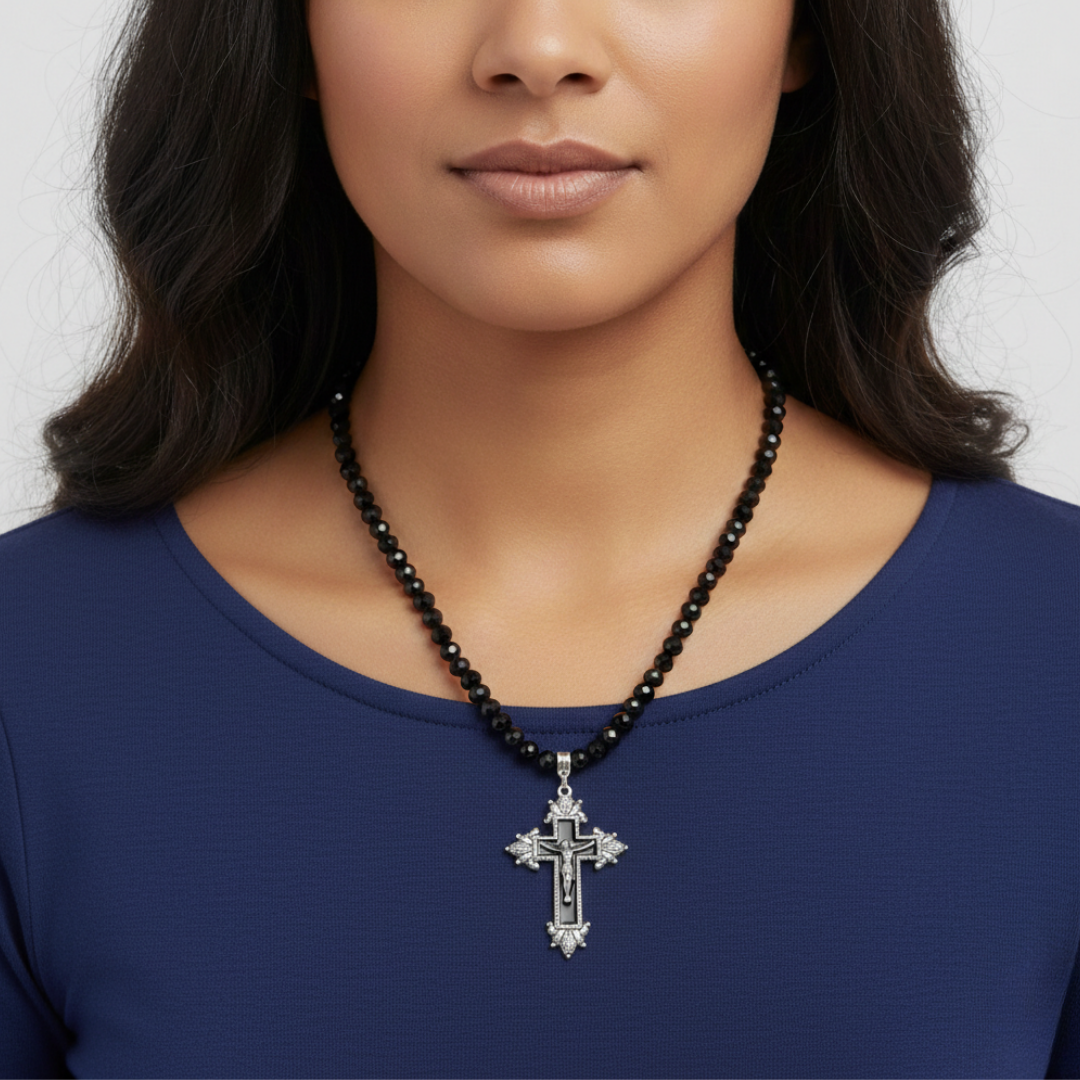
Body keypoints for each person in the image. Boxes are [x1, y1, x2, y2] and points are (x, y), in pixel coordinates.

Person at [0, 0, 1077, 1074]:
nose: (539, 51)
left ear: (807, 32)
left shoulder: (1049, 651)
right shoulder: (35, 670)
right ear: (291, 36)